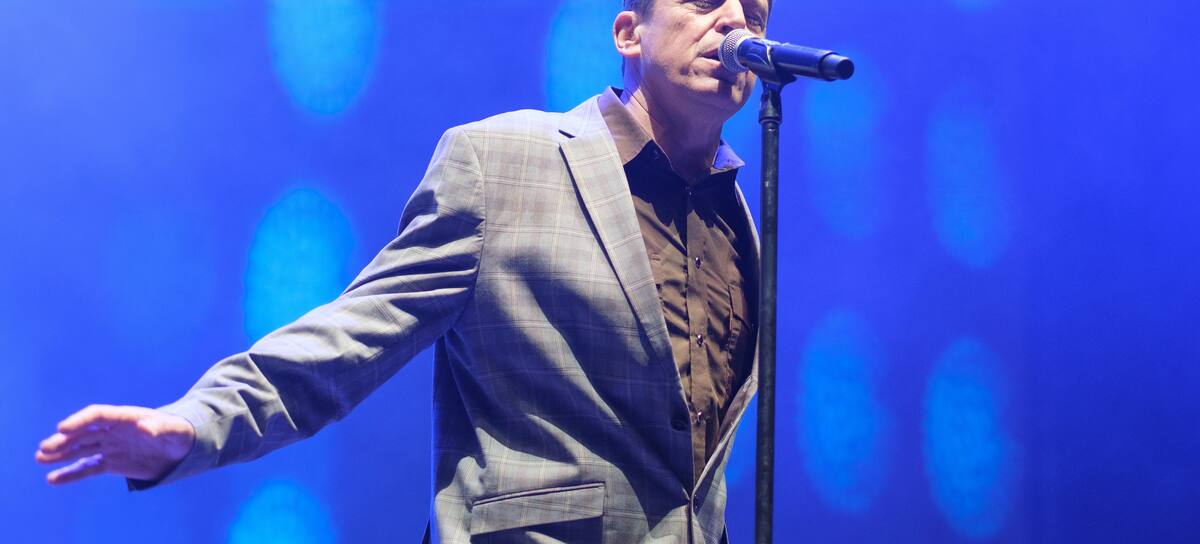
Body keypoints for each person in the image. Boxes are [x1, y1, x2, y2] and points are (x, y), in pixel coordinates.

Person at [36, 0, 771, 541]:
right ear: (628, 32)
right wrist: (193, 424)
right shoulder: (503, 163)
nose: (737, 22)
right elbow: (354, 335)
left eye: (757, 13)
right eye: (705, 1)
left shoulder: (737, 221)